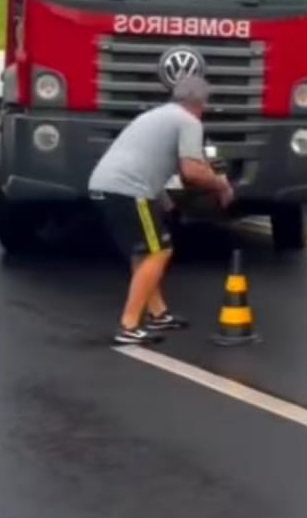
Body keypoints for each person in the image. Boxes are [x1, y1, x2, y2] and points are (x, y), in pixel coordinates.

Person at [88, 74, 233, 346]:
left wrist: (162, 197)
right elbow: (192, 171)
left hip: (104, 185)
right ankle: (128, 325)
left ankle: (158, 314)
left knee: (142, 251)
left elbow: (148, 158)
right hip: (129, 189)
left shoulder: (159, 115)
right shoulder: (189, 121)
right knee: (159, 250)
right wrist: (221, 185)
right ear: (200, 102)